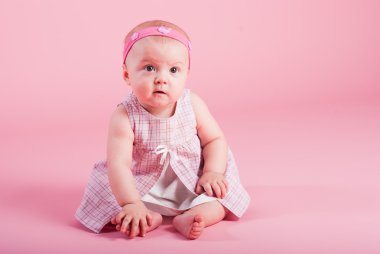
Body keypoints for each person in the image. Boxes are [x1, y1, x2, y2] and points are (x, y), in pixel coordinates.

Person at [75, 20, 250, 240]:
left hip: (192, 177)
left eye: (174, 70)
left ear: (186, 73)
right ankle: (146, 215)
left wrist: (212, 172)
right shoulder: (124, 115)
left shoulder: (192, 103)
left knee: (222, 197)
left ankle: (195, 215)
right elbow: (119, 164)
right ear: (127, 75)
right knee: (112, 201)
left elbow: (214, 139)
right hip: (143, 183)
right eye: (149, 68)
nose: (161, 79)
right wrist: (131, 202)